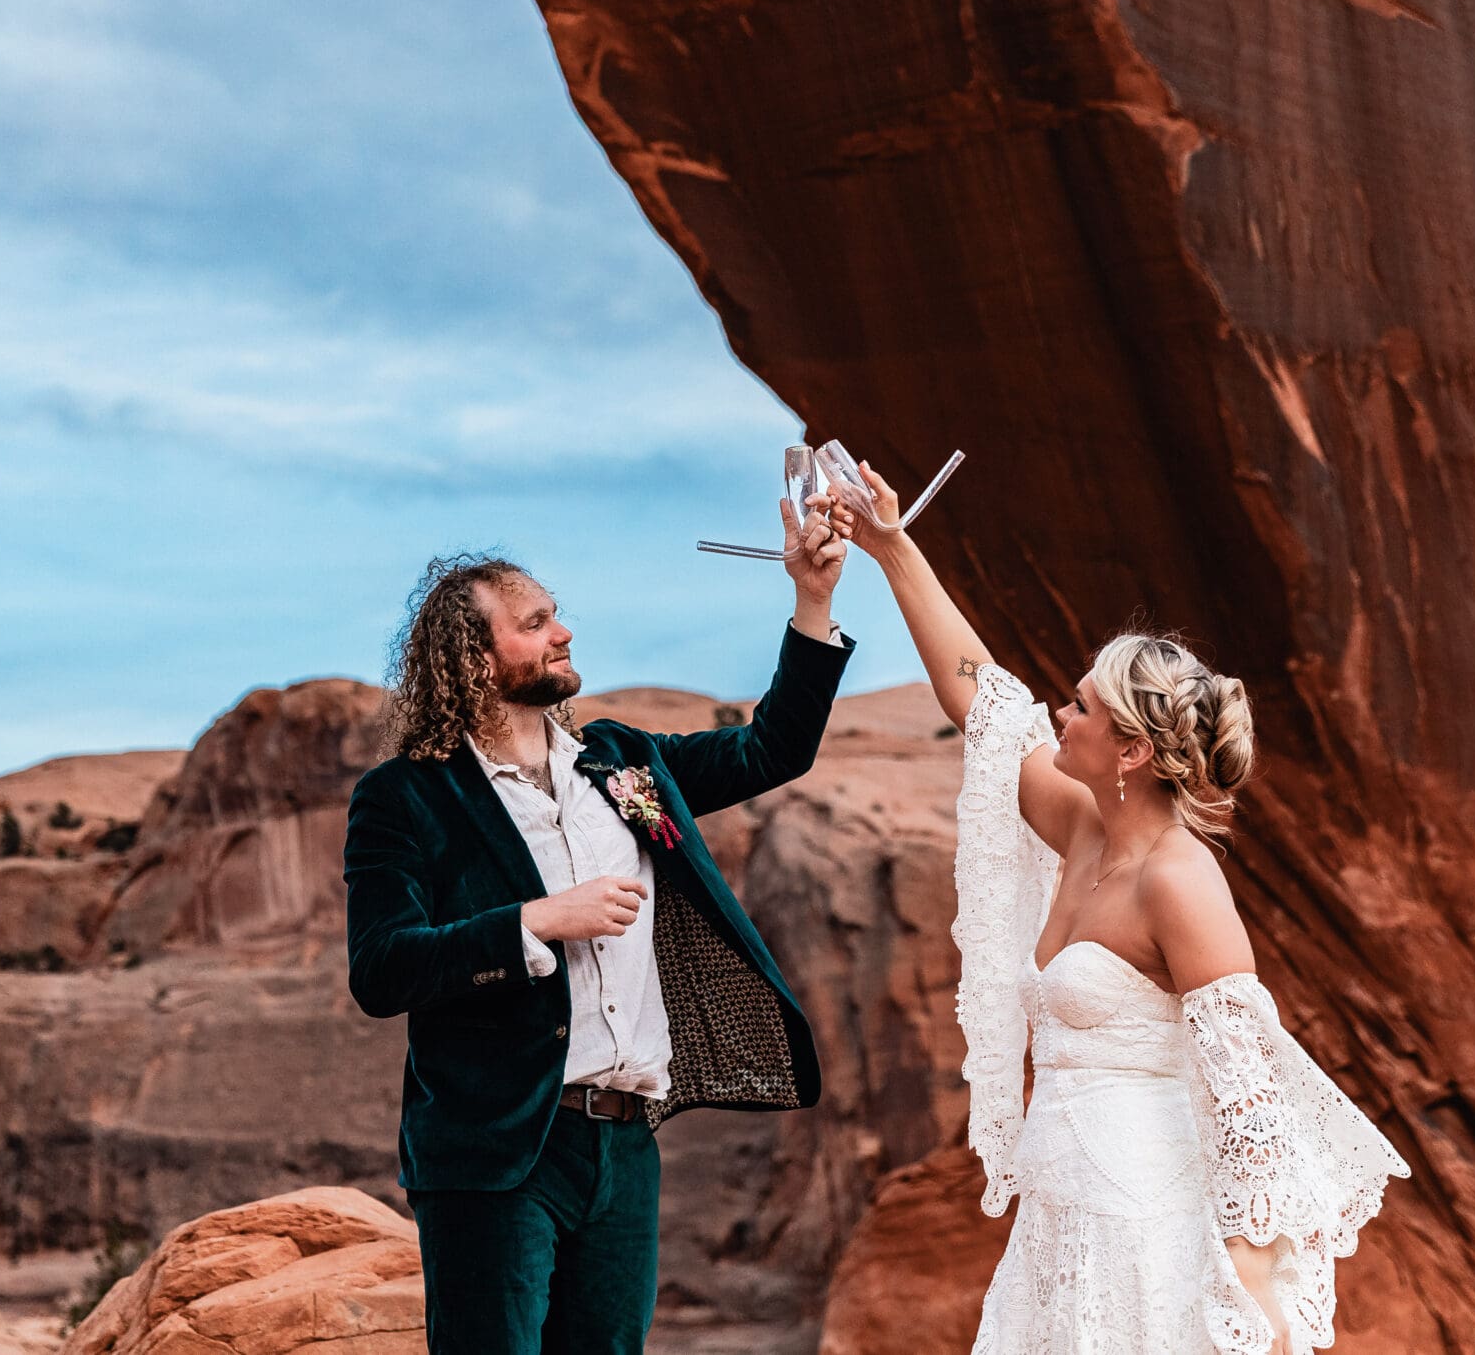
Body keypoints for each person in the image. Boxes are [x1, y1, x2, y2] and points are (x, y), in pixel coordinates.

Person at [831, 464, 1407, 1354]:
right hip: (1059, 1223)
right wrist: (892, 548)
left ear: (1131, 749)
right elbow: (980, 699)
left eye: (1082, 705)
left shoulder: (1180, 880)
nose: (1059, 714)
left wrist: (1248, 1292)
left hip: (1144, 1231)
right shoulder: (1081, 827)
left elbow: (1250, 1094)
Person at [344, 502, 854, 1355]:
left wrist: (812, 599)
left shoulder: (621, 763)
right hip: (498, 1151)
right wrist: (534, 921)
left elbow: (774, 748)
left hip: (624, 1146)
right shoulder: (406, 796)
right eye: (536, 622)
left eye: (557, 613)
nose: (564, 631)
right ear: (475, 657)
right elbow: (381, 968)